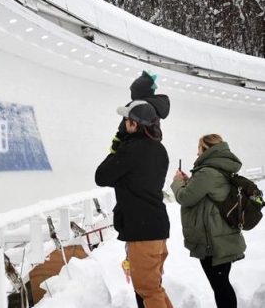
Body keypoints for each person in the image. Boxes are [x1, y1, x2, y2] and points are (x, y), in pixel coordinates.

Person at [96, 100, 173, 308]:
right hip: (156, 227)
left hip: (142, 231)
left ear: (135, 124)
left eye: (126, 120)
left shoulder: (130, 150)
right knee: (154, 288)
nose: (123, 124)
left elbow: (101, 176)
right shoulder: (159, 149)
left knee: (148, 290)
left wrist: (118, 144)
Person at [170, 134, 246, 308]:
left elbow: (185, 197)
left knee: (220, 286)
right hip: (223, 235)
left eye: (199, 148)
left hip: (213, 240)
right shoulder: (219, 167)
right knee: (222, 284)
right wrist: (190, 181)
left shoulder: (207, 172)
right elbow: (206, 193)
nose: (197, 153)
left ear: (206, 149)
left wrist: (177, 183)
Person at [111, 71, 170, 154]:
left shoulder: (137, 106)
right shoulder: (154, 106)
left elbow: (123, 128)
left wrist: (116, 145)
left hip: (130, 148)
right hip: (149, 149)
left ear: (139, 92)